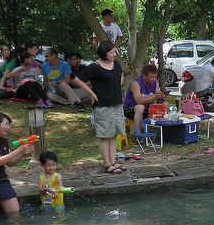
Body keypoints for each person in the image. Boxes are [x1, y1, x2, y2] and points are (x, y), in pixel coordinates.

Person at [71, 40, 125, 175]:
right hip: (103, 105)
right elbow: (77, 80)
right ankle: (107, 164)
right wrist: (91, 93)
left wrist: (118, 87)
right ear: (104, 53)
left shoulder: (116, 65)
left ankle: (113, 161)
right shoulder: (95, 67)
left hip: (116, 103)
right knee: (104, 135)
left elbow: (121, 75)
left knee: (113, 134)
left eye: (115, 52)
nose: (114, 54)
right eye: (111, 52)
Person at [123, 65, 168, 137]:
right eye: (151, 77)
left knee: (165, 104)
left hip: (147, 108)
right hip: (131, 109)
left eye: (155, 77)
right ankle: (138, 133)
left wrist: (162, 98)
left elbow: (157, 95)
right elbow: (139, 101)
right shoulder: (136, 83)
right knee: (140, 107)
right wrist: (154, 96)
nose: (153, 79)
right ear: (144, 76)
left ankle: (166, 131)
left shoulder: (155, 82)